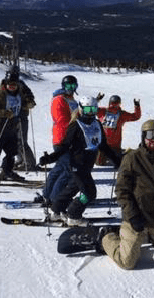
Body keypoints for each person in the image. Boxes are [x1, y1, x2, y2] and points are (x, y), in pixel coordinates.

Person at [100, 119, 154, 269]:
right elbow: (121, 191)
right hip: (136, 218)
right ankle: (108, 237)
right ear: (143, 136)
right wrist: (133, 216)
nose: (153, 139)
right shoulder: (132, 158)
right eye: (149, 135)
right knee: (127, 262)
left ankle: (153, 237)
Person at [39, 95, 121, 225]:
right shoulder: (76, 126)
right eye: (88, 110)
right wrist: (49, 158)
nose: (91, 113)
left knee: (72, 188)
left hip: (87, 165)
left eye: (93, 110)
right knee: (89, 194)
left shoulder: (97, 124)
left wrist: (117, 160)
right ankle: (74, 215)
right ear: (81, 109)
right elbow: (64, 147)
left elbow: (103, 145)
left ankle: (56, 210)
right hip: (77, 165)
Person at [41, 75, 80, 205]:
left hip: (68, 138)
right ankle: (56, 198)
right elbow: (62, 121)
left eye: (73, 86)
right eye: (68, 86)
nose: (71, 89)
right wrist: (72, 134)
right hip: (63, 139)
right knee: (67, 170)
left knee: (59, 168)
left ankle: (47, 194)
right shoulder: (59, 99)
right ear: (63, 86)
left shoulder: (71, 99)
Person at [6, 65, 37, 171]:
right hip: (9, 117)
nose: (12, 76)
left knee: (22, 140)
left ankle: (30, 163)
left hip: (21, 116)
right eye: (10, 73)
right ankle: (20, 159)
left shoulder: (21, 85)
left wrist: (28, 102)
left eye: (14, 73)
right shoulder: (6, 84)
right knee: (13, 140)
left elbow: (30, 96)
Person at [95, 95, 141, 165]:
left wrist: (96, 100)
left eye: (115, 104)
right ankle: (118, 155)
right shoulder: (106, 112)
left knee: (112, 163)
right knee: (104, 163)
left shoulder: (104, 112)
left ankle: (123, 154)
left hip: (110, 145)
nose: (113, 107)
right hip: (107, 144)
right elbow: (136, 116)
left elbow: (92, 108)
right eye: (113, 104)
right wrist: (137, 107)